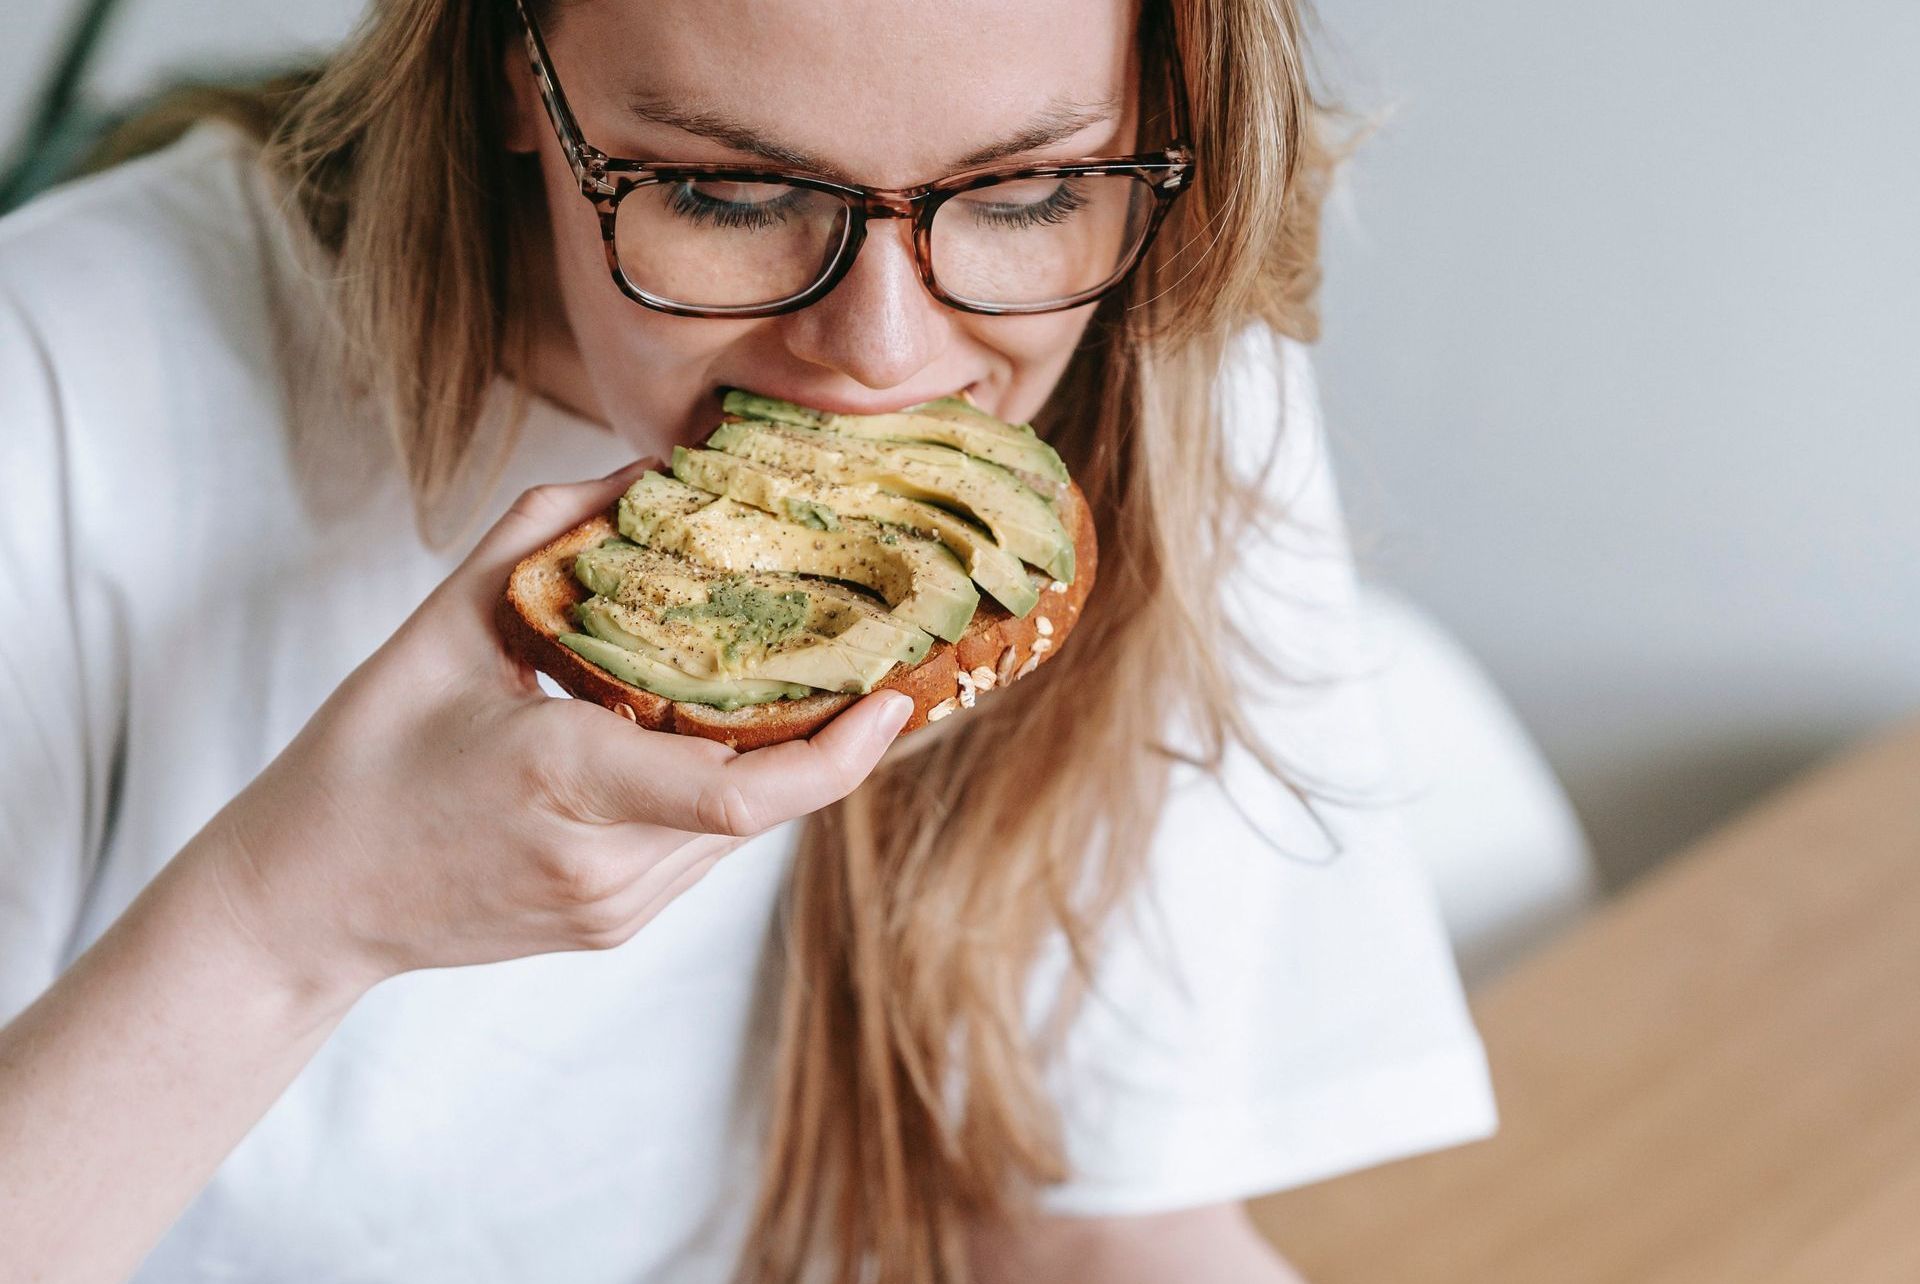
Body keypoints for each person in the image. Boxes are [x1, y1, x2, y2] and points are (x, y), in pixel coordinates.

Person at [0, 0, 1496, 1280]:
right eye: (728, 195)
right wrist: (289, 923)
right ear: (518, 74)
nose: (888, 356)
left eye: (1029, 192)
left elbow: (1102, 1227)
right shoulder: (57, 385)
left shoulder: (1157, 365)